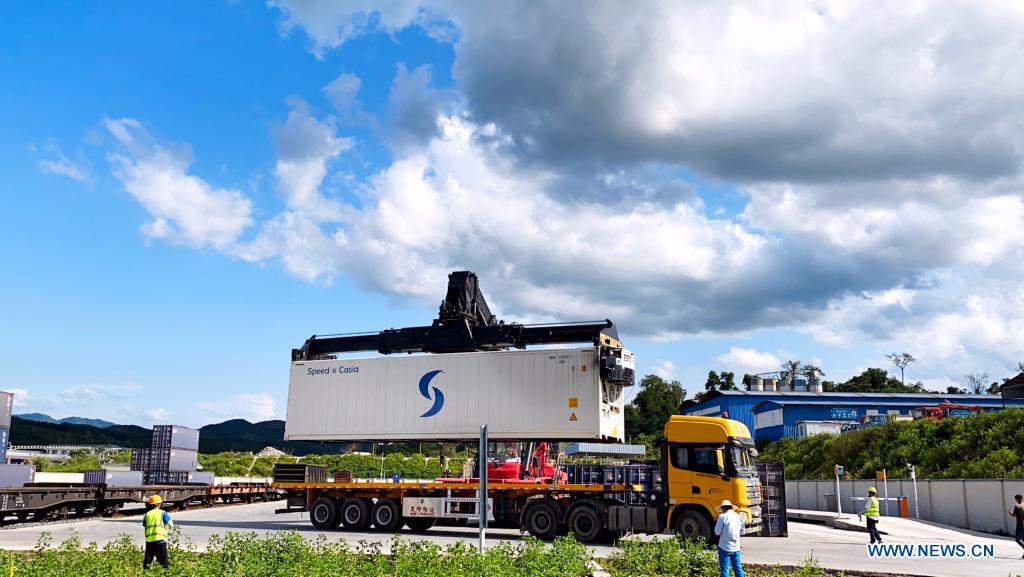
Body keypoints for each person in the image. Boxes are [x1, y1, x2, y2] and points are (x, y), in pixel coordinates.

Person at [714, 499, 745, 577]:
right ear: (731, 507)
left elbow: (717, 532)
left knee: (725, 571)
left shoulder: (722, 517)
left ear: (723, 508)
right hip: (736, 548)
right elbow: (742, 532)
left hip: (724, 547)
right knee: (738, 570)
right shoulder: (738, 517)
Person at [143, 494, 173, 570]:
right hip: (160, 541)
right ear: (159, 504)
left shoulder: (147, 515)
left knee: (147, 562)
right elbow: (171, 524)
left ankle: (145, 574)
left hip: (149, 542)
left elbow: (145, 525)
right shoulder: (162, 513)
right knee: (163, 563)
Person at [1009, 493, 1024, 558]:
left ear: (1017, 499)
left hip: (1020, 525)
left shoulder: (1017, 506)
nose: (1015, 500)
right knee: (1023, 540)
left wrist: (1010, 512)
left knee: (1018, 539)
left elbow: (1013, 515)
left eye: (1015, 499)